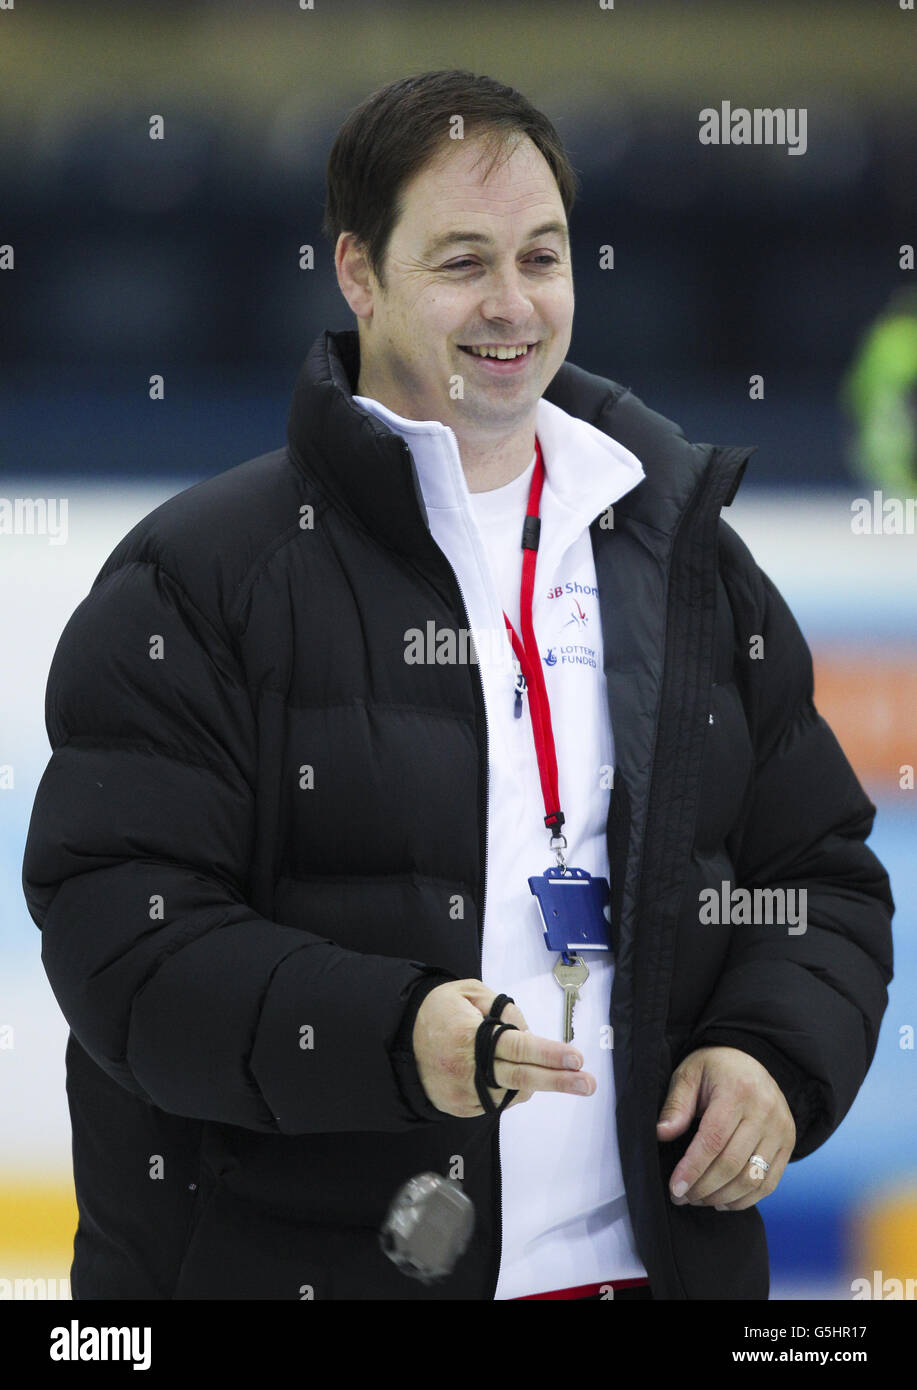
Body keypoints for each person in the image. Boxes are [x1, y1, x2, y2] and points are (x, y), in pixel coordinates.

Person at [22, 69, 894, 1301]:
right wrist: (394, 1033)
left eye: (541, 256)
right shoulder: (199, 576)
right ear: (357, 273)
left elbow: (816, 877)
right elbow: (122, 936)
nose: (511, 304)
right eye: (460, 262)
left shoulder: (684, 555)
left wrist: (769, 1055)